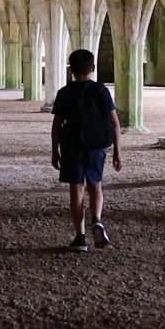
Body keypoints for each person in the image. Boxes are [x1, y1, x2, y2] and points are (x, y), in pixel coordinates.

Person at [51, 49, 122, 252]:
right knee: (95, 185)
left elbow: (57, 125)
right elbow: (115, 123)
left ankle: (80, 237)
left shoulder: (65, 93)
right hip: (96, 145)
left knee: (76, 190)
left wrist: (54, 150)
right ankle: (97, 219)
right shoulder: (101, 91)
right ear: (93, 69)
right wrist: (117, 151)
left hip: (72, 146)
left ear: (71, 69)